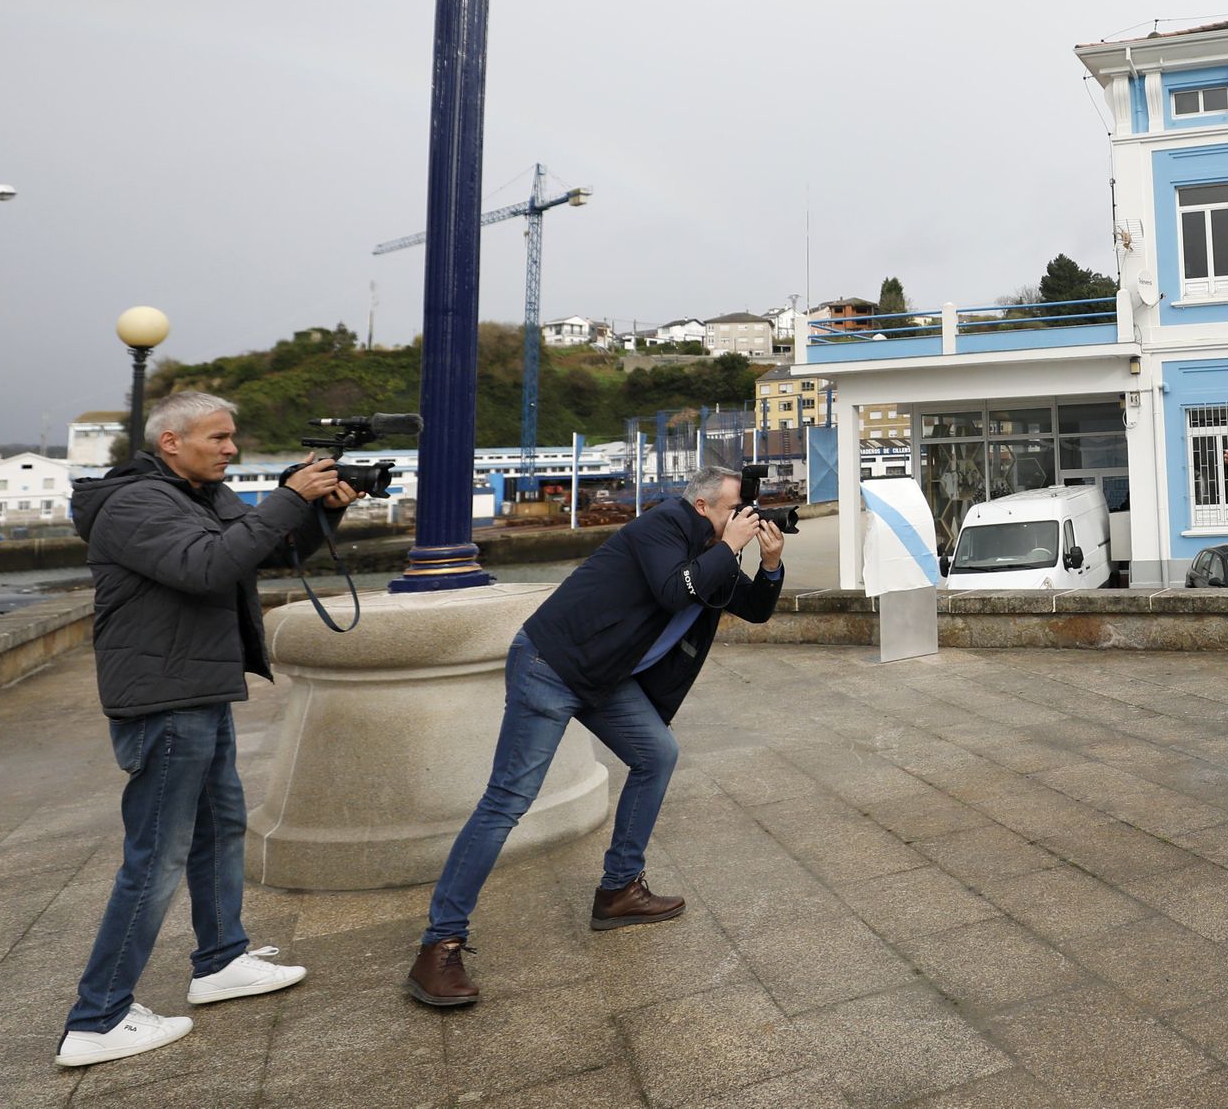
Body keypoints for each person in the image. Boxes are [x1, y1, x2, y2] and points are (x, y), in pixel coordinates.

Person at [408, 465, 786, 1007]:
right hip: (552, 665)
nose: (744, 518)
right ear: (702, 506)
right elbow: (675, 591)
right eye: (734, 508)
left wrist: (769, 563)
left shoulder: (710, 549)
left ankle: (618, 891)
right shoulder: (662, 527)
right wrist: (728, 547)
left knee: (658, 754)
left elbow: (754, 609)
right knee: (508, 800)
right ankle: (438, 945)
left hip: (605, 675)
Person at [56, 392, 357, 1068]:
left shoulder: (195, 494)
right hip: (163, 699)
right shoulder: (134, 505)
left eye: (232, 437)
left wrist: (320, 511)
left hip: (198, 686)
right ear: (171, 442)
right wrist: (287, 493)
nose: (231, 448)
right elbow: (207, 567)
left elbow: (260, 551)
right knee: (156, 855)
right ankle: (97, 1018)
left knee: (221, 826)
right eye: (218, 437)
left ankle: (220, 960)